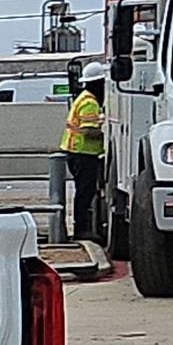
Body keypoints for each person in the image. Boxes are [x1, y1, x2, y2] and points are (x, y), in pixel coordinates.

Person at [61, 62, 107, 241]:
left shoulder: (83, 98)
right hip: (83, 154)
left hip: (77, 152)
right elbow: (89, 131)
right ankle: (81, 229)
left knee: (84, 191)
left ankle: (82, 228)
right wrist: (105, 131)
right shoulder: (90, 103)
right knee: (84, 192)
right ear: (98, 84)